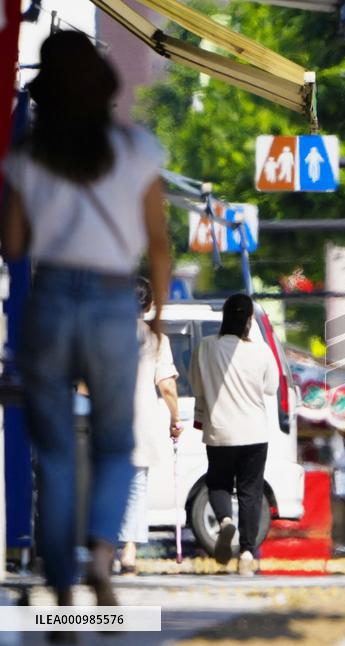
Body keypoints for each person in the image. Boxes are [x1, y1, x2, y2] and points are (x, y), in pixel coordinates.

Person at [0, 31, 170, 610]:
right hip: (108, 299)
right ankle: (102, 555)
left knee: (51, 449)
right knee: (114, 441)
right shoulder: (137, 150)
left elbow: (14, 242)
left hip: (49, 299)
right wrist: (162, 317)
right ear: (103, 91)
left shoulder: (27, 158)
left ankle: (60, 583)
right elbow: (159, 245)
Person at [191, 294, 277, 576]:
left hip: (220, 431)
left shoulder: (206, 347)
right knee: (251, 492)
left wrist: (200, 416)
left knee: (218, 483)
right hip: (254, 432)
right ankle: (248, 554)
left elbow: (197, 385)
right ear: (250, 320)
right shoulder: (260, 350)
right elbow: (271, 388)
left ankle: (226, 520)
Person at [117, 278, 181, 574]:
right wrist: (175, 418)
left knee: (105, 482)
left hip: (107, 417)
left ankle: (104, 548)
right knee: (136, 488)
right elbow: (167, 385)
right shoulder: (157, 340)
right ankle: (128, 551)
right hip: (141, 421)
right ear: (149, 305)